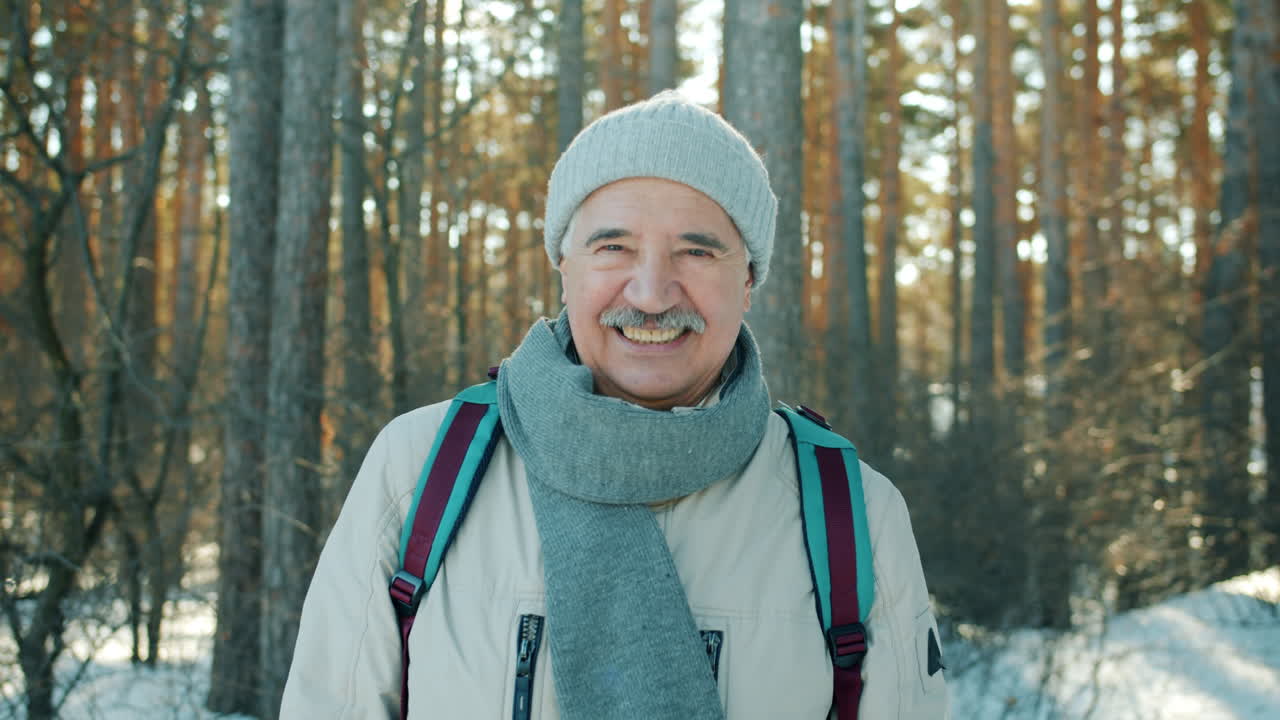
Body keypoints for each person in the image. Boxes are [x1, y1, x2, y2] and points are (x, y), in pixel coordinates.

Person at [281, 91, 948, 719]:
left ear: (747, 279)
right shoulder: (420, 470)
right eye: (613, 247)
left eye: (697, 250)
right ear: (563, 266)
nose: (654, 292)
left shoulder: (850, 512)